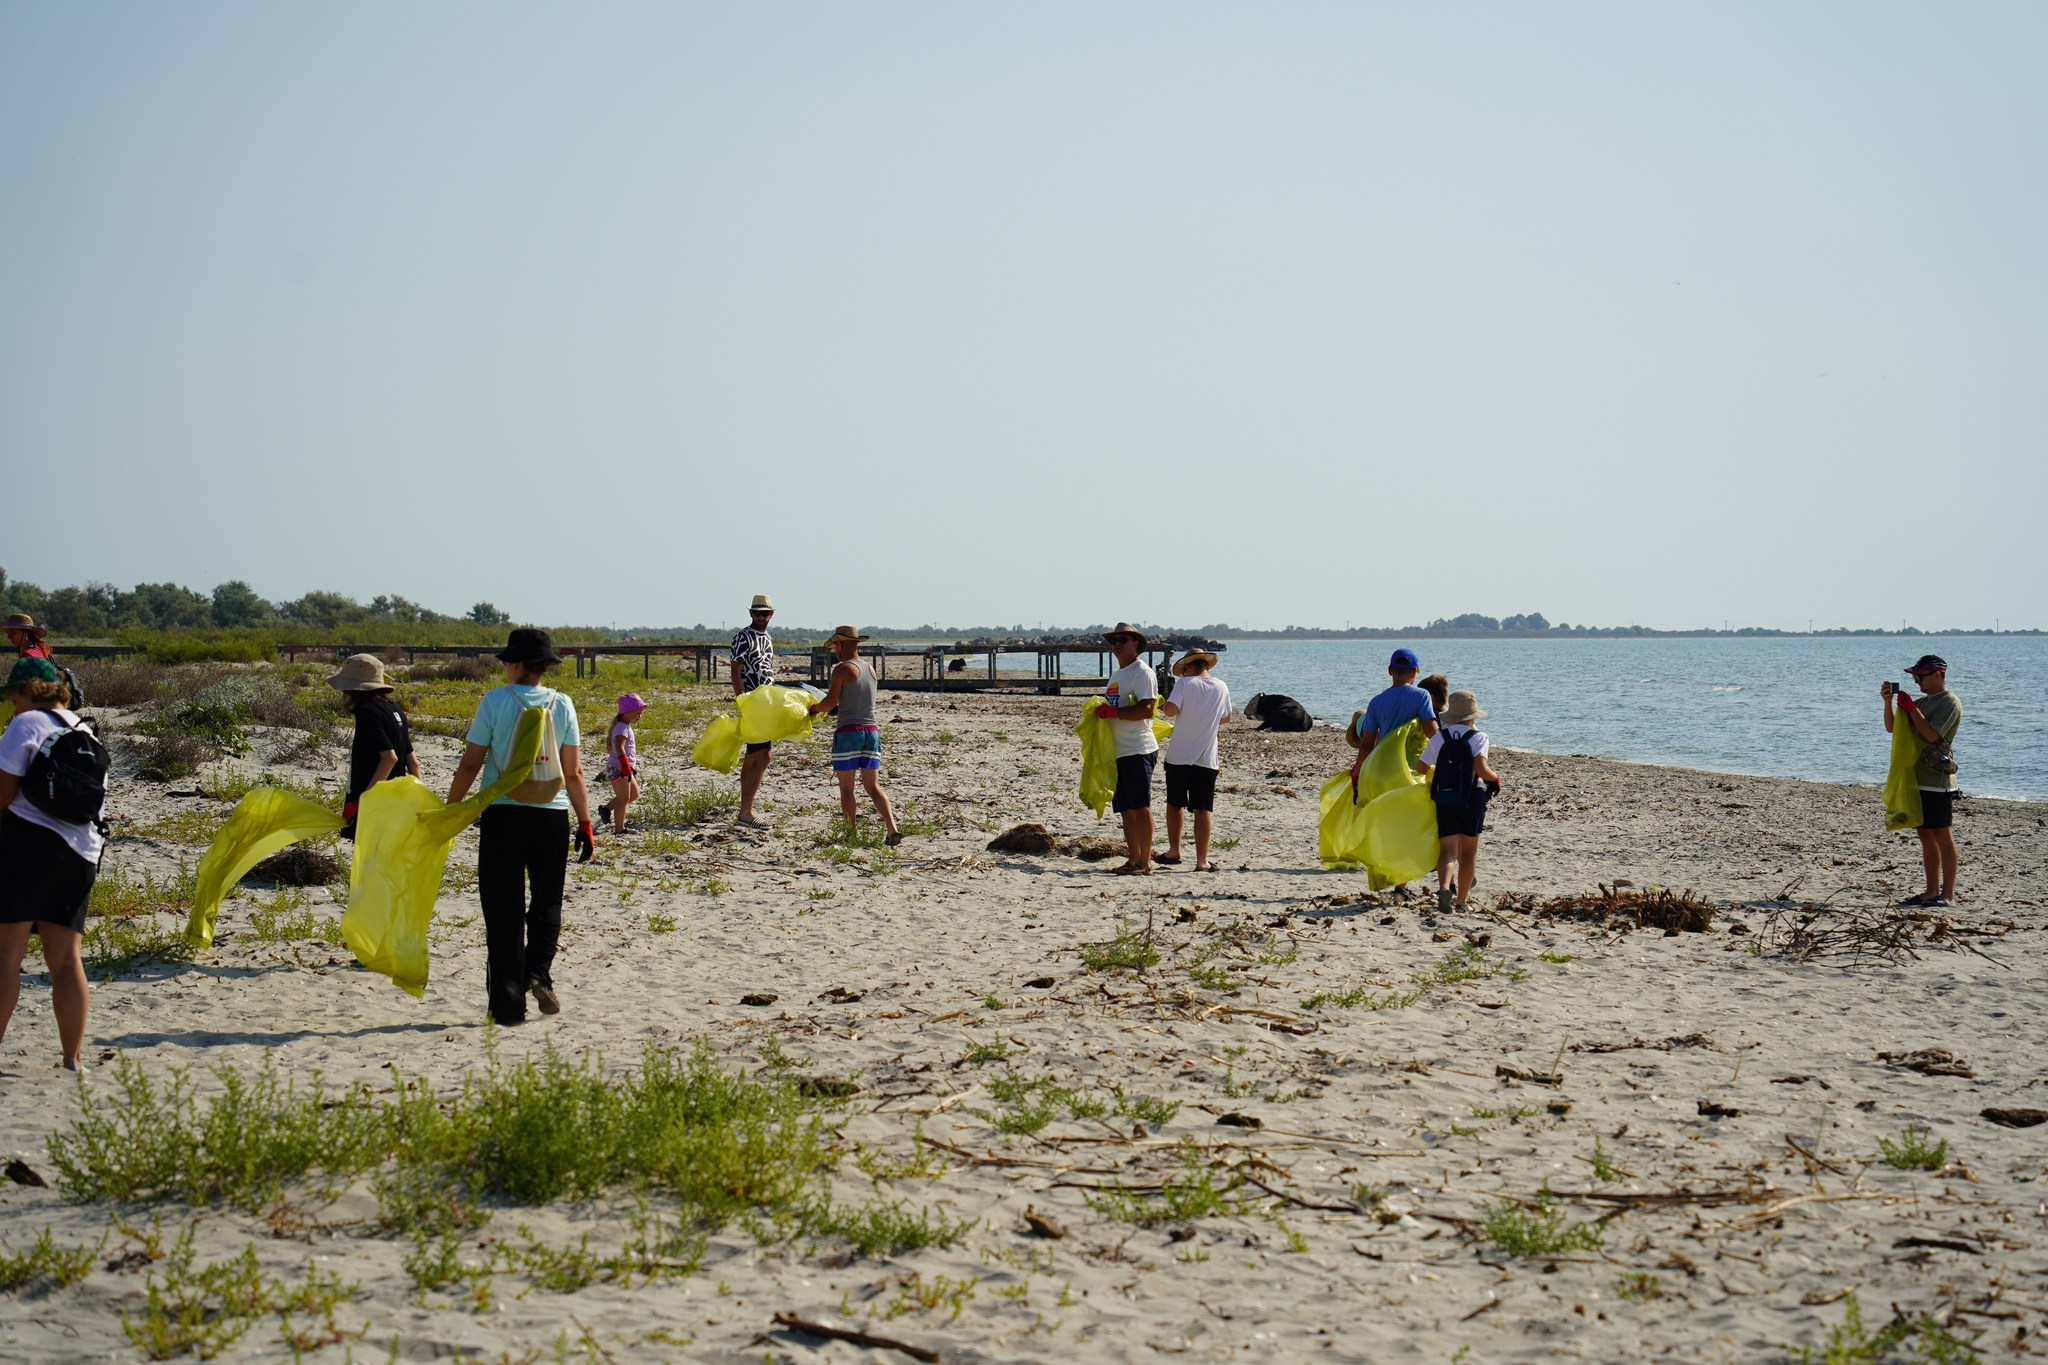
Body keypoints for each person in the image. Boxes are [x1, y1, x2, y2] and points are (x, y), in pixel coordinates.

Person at [446, 629, 593, 1026]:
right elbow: (574, 771)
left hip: (504, 815)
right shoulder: (563, 704)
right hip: (551, 815)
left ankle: (509, 1007)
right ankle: (538, 972)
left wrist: (451, 809)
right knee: (547, 902)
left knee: (503, 909)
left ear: (514, 664)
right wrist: (585, 822)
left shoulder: (495, 701)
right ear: (544, 666)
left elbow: (470, 764)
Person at [0, 657, 103, 1070]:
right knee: (65, 959)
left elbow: (3, 796)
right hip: (82, 853)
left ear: (27, 693)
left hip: (27, 846)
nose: (12, 708)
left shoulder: (25, 725)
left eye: (13, 699)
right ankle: (72, 1057)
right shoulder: (84, 730)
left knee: (8, 954)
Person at [806, 627, 901, 845]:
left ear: (840, 645)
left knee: (847, 790)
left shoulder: (842, 669)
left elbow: (830, 703)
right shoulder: (870, 669)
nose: (835, 651)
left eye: (835, 646)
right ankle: (891, 828)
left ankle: (851, 834)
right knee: (873, 787)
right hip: (872, 732)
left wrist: (813, 708)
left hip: (849, 732)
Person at [1883, 655, 1962, 907]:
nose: (1917, 682)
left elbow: (1931, 735)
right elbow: (1893, 728)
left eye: (1921, 677)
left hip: (1938, 779)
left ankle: (1947, 894)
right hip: (1917, 778)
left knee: (1942, 834)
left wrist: (1911, 708)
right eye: (1914, 677)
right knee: (1925, 835)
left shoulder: (1949, 702)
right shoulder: (1920, 702)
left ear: (1937, 675)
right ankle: (1930, 891)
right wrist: (1888, 703)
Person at [1415, 689, 1502, 912]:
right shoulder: (1479, 737)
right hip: (1472, 798)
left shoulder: (1439, 737)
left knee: (1447, 851)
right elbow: (1480, 769)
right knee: (1468, 852)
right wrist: (1496, 778)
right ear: (1472, 715)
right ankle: (1462, 902)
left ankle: (1444, 888)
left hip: (1444, 797)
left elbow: (1421, 767)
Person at [327, 653, 420, 839]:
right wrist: (418, 800)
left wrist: (364, 801)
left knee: (369, 857)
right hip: (396, 800)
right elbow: (413, 763)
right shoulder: (395, 710)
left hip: (377, 801)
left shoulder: (366, 711)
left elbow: (389, 758)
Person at [1159, 648, 1231, 871]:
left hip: (1180, 754)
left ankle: (1174, 851)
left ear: (1189, 668)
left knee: (1175, 803)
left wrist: (1160, 704)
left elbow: (1170, 712)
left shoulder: (1184, 684)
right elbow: (1226, 718)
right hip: (1207, 757)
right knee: (1203, 809)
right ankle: (1202, 860)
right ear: (1206, 666)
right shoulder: (1221, 686)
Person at [1101, 623, 1159, 875]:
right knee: (1125, 809)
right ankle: (1133, 859)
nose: (1116, 643)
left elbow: (1148, 709)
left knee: (1140, 806)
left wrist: (1114, 712)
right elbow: (1115, 707)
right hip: (1119, 750)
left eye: (1122, 639)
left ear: (1135, 644)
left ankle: (1145, 862)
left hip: (1138, 748)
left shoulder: (1142, 673)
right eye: (1114, 639)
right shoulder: (1118, 674)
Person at [1348, 648, 1441, 794]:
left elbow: (1366, 745)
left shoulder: (1376, 702)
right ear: (1414, 672)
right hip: (1413, 769)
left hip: (1384, 767)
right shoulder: (1422, 695)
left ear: (1390, 671)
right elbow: (1432, 732)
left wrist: (1356, 775)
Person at [729, 594, 778, 830]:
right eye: (757, 613)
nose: (761, 617)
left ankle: (745, 809)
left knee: (758, 754)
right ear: (751, 614)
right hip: (752, 702)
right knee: (761, 753)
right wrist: (742, 700)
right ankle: (746, 811)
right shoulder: (743, 637)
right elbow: (735, 670)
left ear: (771, 615)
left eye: (764, 613)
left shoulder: (767, 638)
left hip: (766, 702)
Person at [597, 693, 647, 836]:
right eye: (637, 713)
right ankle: (619, 829)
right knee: (623, 799)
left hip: (625, 767)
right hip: (619, 768)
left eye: (641, 713)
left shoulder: (625, 725)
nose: (639, 716)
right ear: (626, 712)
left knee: (633, 795)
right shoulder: (621, 728)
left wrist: (630, 766)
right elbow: (619, 748)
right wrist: (625, 766)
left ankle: (606, 810)